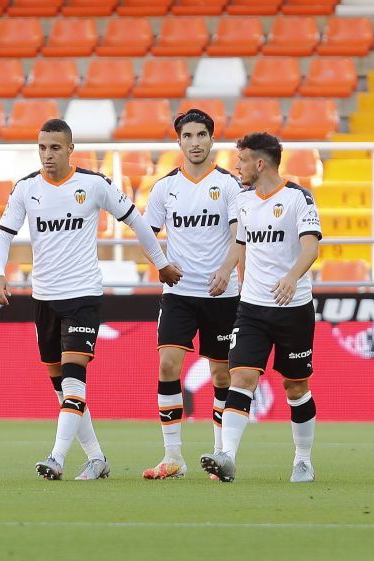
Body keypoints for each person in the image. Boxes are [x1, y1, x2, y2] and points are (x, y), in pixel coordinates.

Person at [0, 118, 183, 481]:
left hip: (83, 296)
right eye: (42, 148)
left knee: (74, 379)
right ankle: (96, 458)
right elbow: (3, 235)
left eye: (55, 148)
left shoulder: (94, 185)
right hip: (44, 298)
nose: (48, 155)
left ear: (70, 149)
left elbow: (137, 222)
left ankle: (56, 458)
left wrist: (160, 263)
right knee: (62, 387)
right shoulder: (25, 188)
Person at [200, 132, 322, 483]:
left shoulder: (299, 198)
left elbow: (311, 248)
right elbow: (241, 245)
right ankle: (226, 457)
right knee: (241, 377)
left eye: (241, 160)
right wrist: (226, 270)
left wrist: (291, 277)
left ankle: (302, 460)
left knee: (296, 387)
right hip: (252, 308)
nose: (236, 166)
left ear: (259, 163)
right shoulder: (244, 201)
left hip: (293, 307)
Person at [141, 109, 243, 480]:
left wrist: (226, 269)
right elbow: (147, 233)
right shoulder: (165, 187)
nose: (195, 142)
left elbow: (239, 236)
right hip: (179, 293)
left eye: (202, 135)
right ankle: (173, 457)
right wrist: (161, 264)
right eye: (188, 136)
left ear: (212, 139)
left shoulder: (230, 185)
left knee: (220, 374)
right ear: (179, 141)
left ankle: (221, 456)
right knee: (168, 364)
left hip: (221, 294)